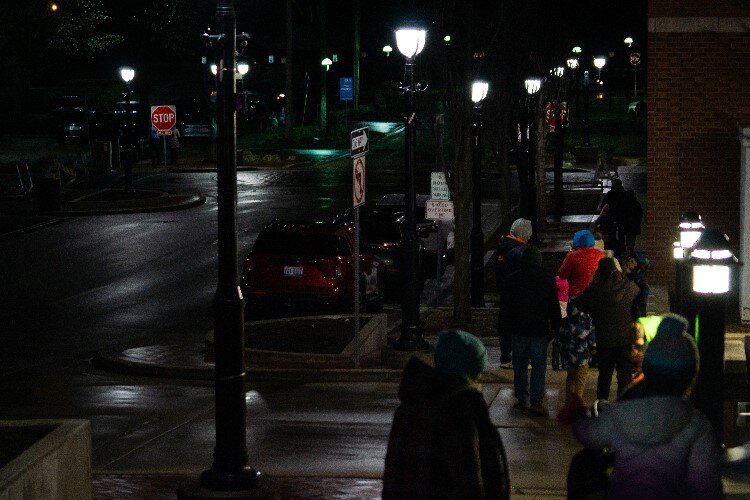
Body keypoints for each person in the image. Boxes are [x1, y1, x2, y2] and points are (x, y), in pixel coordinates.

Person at [562, 314, 723, 500]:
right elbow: (706, 486)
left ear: (647, 369)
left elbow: (588, 434)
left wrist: (578, 414)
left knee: (584, 464)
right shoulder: (696, 425)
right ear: (689, 376)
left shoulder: (620, 412)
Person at [382, 330, 510, 499]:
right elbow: (470, 483)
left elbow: (394, 477)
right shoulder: (459, 412)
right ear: (470, 371)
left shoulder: (409, 407)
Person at [502, 246, 561, 416]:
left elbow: (506, 309)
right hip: (539, 330)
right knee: (538, 366)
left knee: (519, 366)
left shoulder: (512, 280)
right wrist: (557, 327)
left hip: (519, 329)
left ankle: (522, 398)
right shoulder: (547, 279)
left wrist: (505, 330)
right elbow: (554, 306)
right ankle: (536, 399)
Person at [576, 257, 640, 400]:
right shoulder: (630, 287)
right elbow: (638, 303)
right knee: (624, 377)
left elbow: (580, 304)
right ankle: (623, 410)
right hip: (625, 339)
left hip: (604, 339)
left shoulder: (595, 290)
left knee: (604, 377)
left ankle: (602, 410)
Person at [494, 218, 532, 368]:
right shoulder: (521, 252)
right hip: (519, 295)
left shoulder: (502, 248)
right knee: (520, 325)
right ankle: (521, 358)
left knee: (505, 325)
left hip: (505, 294)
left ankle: (506, 357)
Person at [556, 297, 596, 406]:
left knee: (570, 379)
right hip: (582, 357)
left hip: (569, 356)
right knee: (580, 382)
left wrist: (563, 351)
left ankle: (568, 402)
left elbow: (560, 338)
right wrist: (593, 352)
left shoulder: (566, 320)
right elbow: (591, 341)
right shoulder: (587, 320)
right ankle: (577, 403)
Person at [557, 230, 605, 298]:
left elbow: (562, 275)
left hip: (576, 295)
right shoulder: (601, 255)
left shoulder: (572, 256)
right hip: (596, 293)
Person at [620, 190, 643, 255]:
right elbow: (640, 214)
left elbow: (622, 213)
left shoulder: (624, 204)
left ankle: (628, 250)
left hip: (626, 223)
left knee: (627, 237)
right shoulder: (636, 204)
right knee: (632, 237)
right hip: (634, 224)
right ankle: (631, 250)